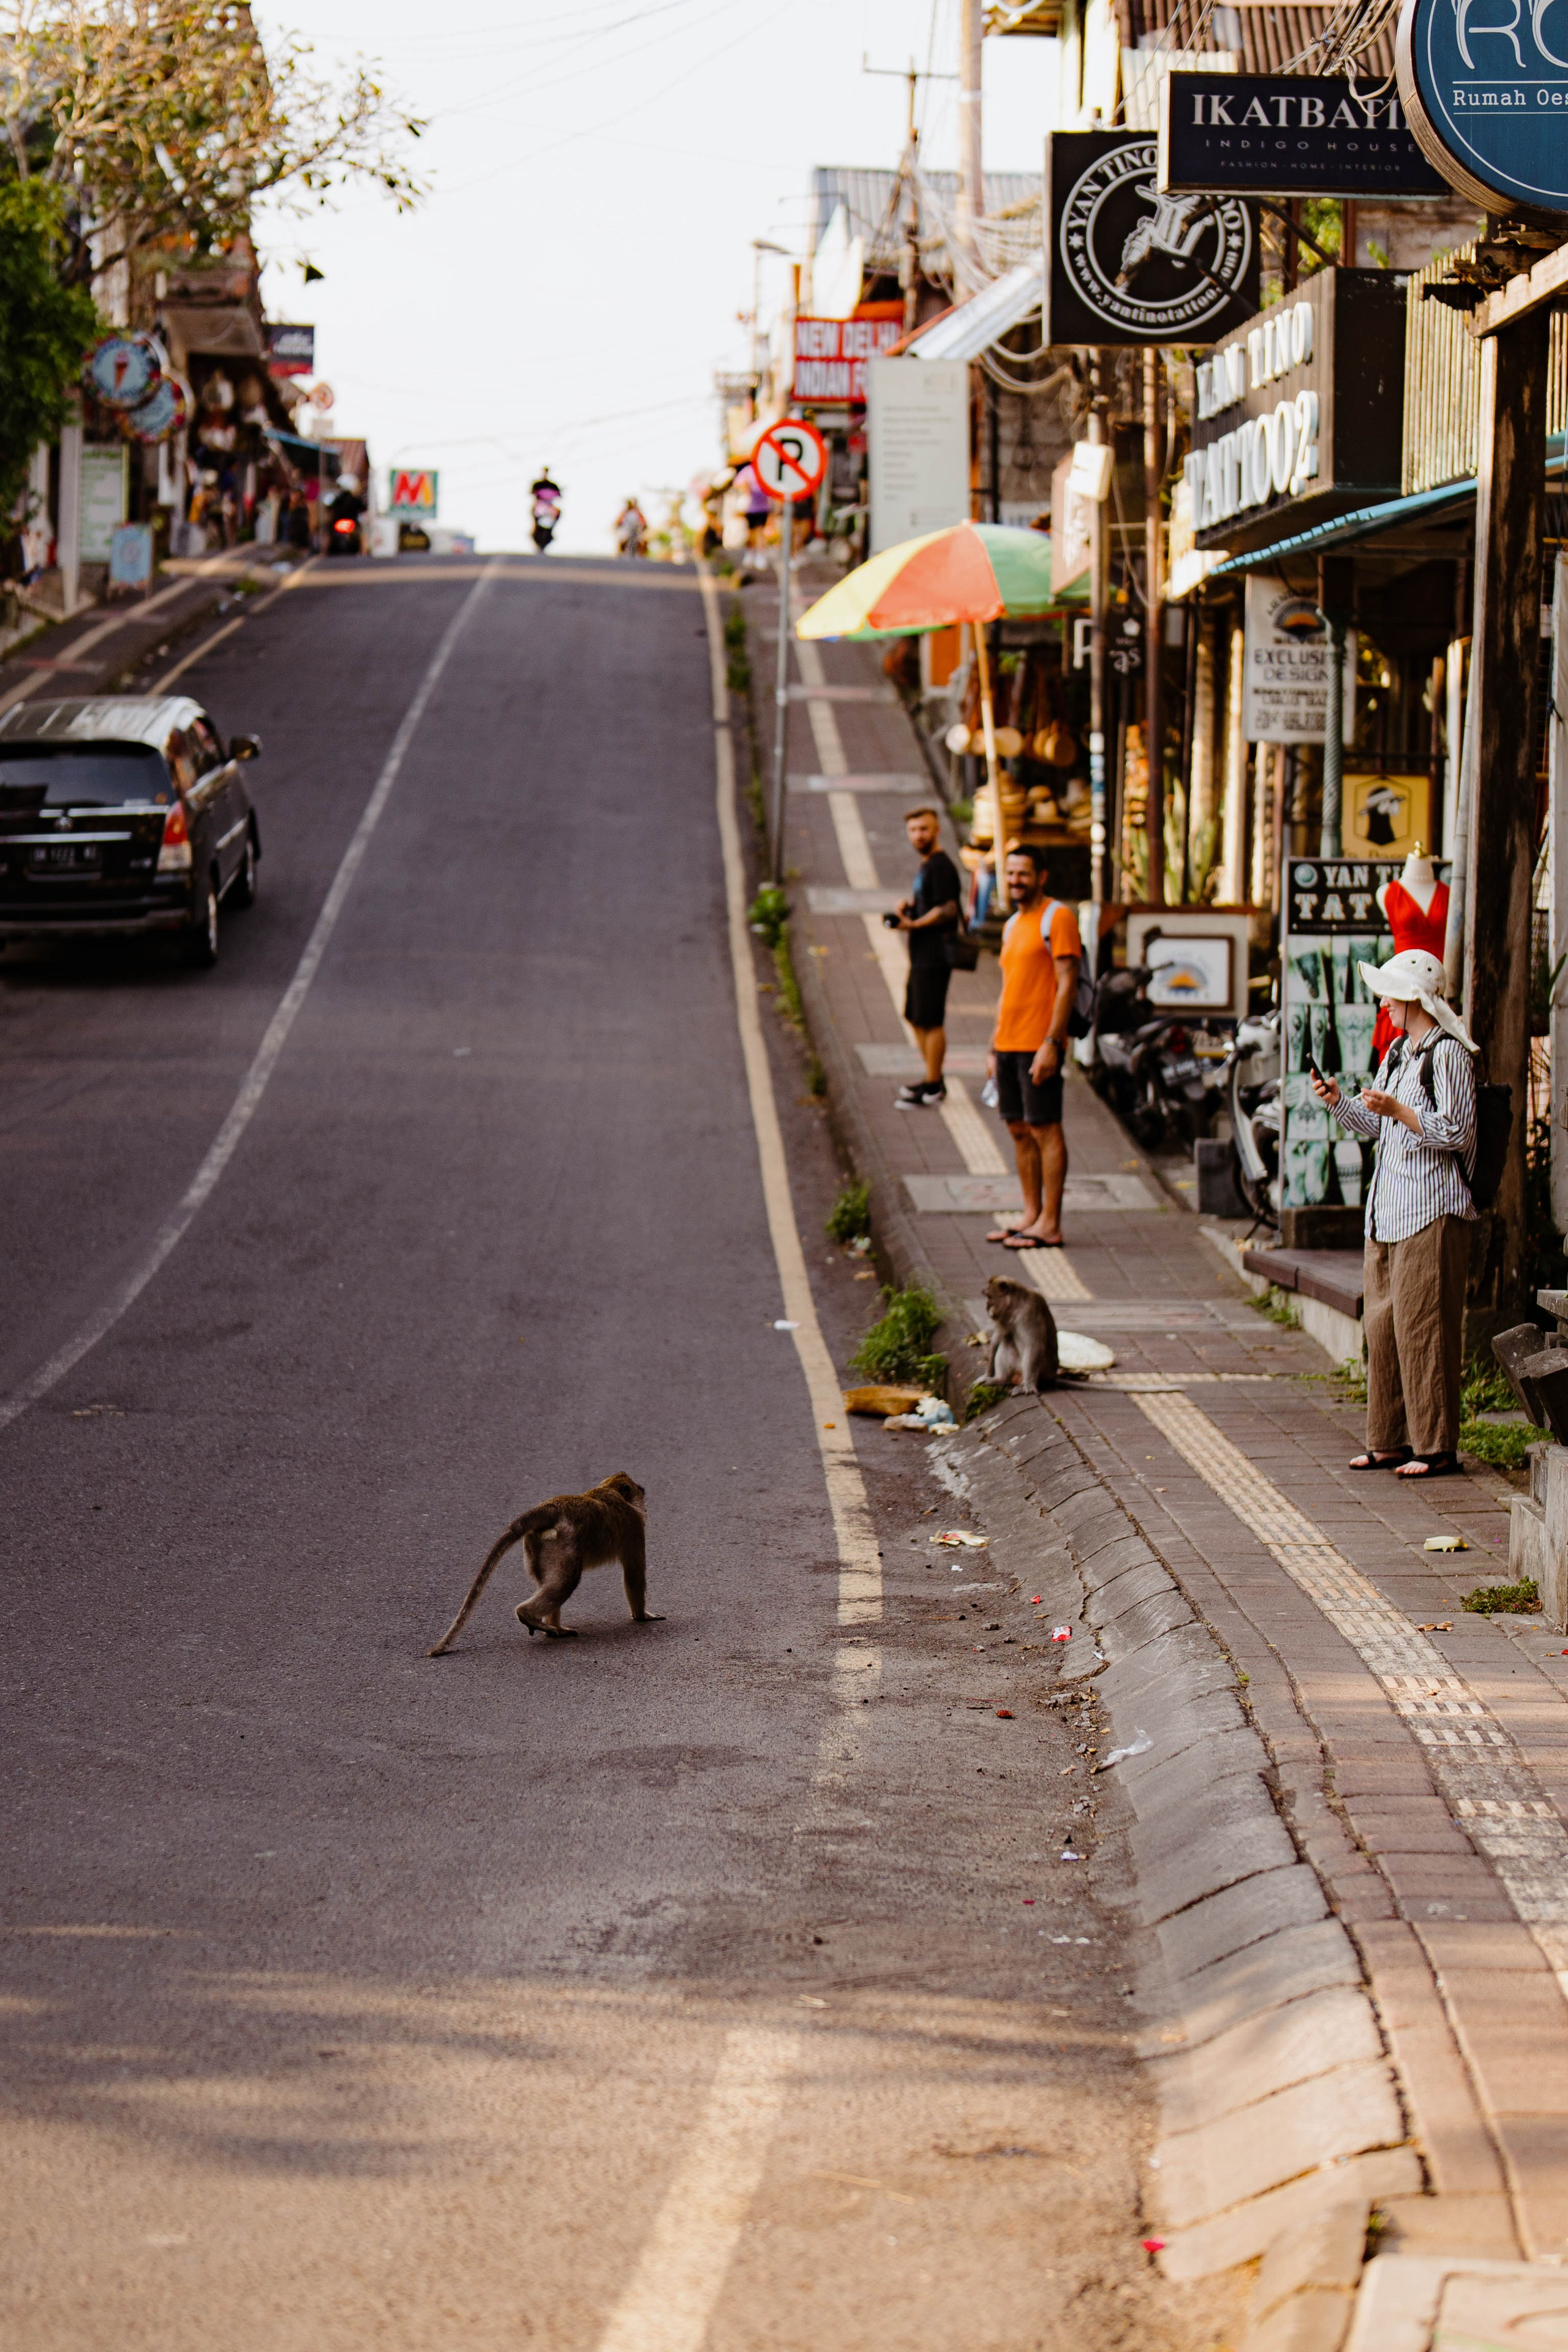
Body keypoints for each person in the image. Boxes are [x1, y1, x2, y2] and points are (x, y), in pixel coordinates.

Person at [1309, 948, 1477, 1480]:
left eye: (1390, 994)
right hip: (1388, 1211)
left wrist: (1399, 1110)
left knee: (1424, 1328)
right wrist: (1340, 1102)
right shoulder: (1400, 1053)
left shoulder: (1448, 1054)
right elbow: (1381, 1126)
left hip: (1432, 1209)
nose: (1384, 1003)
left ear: (1414, 998)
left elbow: (1457, 1130)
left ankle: (1436, 1447)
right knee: (1383, 1326)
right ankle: (1388, 1440)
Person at [986, 843, 1082, 1250]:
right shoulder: (1012, 925)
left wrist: (1051, 1042)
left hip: (1037, 1042)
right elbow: (1008, 989)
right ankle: (1030, 1214)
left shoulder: (1057, 918)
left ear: (1041, 876)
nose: (1015, 881)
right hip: (1008, 1042)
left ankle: (1051, 1224)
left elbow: (1067, 984)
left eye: (1023, 874)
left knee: (1045, 1128)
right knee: (1018, 1129)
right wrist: (993, 1046)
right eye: (1010, 874)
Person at [891, 807, 962, 1107]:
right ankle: (933, 1076)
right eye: (913, 830)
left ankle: (934, 1085)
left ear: (937, 830)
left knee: (930, 1020)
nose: (919, 835)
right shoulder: (928, 865)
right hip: (921, 955)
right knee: (915, 1016)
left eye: (924, 829)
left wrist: (915, 925)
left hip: (935, 956)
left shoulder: (941, 866)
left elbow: (949, 908)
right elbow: (931, 901)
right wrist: (909, 905)